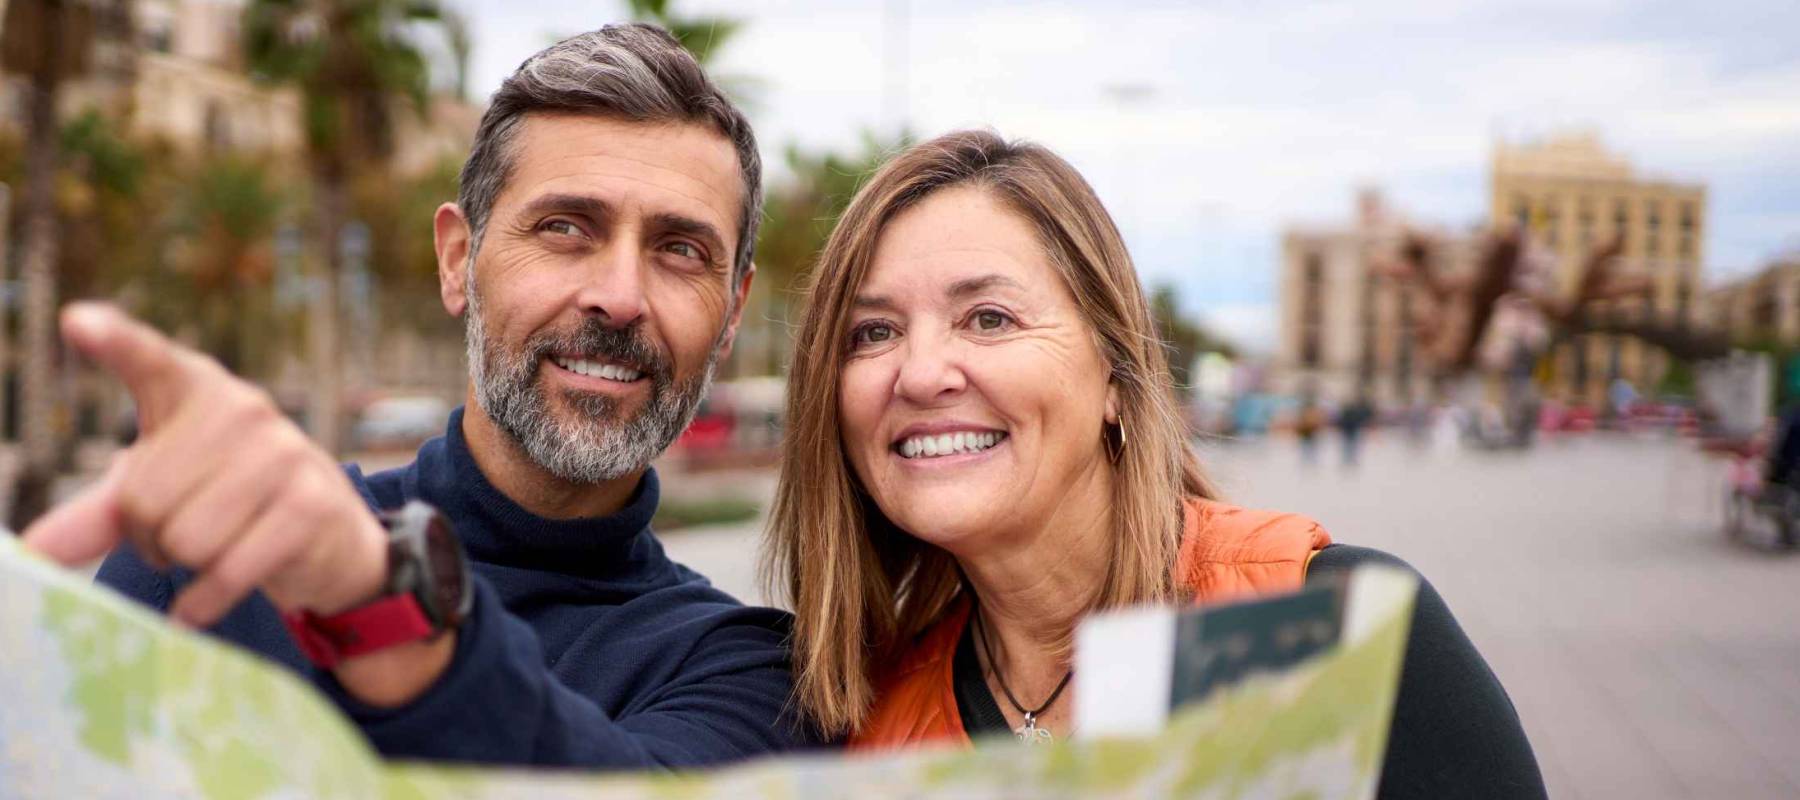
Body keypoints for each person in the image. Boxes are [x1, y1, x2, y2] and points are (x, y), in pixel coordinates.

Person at [24, 25, 811, 768]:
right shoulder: (219, 563)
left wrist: (379, 607)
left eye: (681, 250)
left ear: (733, 312)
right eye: (566, 228)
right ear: (457, 260)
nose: (620, 296)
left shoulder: (752, 673)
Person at [764, 130, 1546, 797]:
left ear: (1114, 374)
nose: (921, 373)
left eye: (989, 318)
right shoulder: (869, 734)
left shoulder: (1345, 634)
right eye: (873, 333)